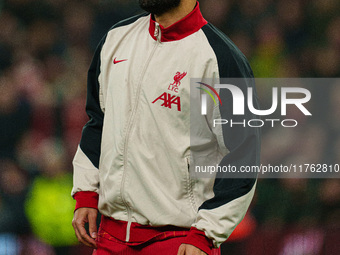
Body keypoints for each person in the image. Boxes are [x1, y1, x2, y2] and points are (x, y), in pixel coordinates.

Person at [71, 0, 261, 254]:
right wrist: (86, 192)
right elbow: (98, 123)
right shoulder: (115, 40)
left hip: (180, 241)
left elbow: (244, 154)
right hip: (109, 238)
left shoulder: (220, 58)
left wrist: (206, 234)